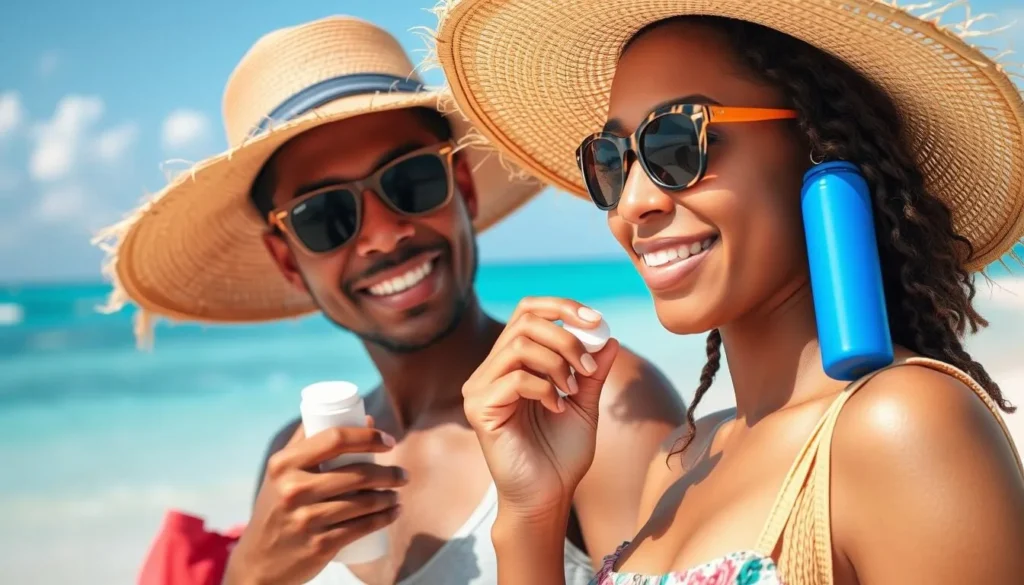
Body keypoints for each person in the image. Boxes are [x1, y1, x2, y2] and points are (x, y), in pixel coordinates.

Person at [430, 1, 1024, 584]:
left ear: (818, 148)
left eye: (676, 144)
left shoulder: (903, 426)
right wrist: (532, 513)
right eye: (611, 161)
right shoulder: (678, 463)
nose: (634, 202)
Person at [95, 15, 688, 585]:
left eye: (411, 181)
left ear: (464, 188)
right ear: (287, 258)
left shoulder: (593, 404)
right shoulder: (297, 464)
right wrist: (250, 573)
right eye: (324, 216)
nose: (383, 235)